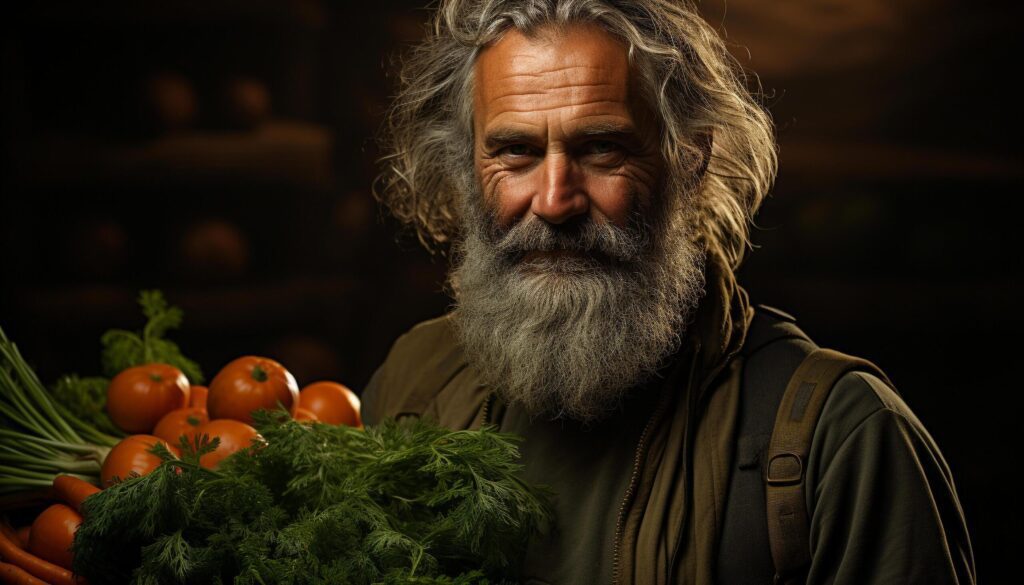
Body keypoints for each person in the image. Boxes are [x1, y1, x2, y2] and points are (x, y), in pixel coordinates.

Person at [362, 1, 977, 583]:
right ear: (467, 168)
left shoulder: (841, 439)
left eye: (602, 148)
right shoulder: (415, 382)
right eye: (515, 152)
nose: (553, 200)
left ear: (689, 160)